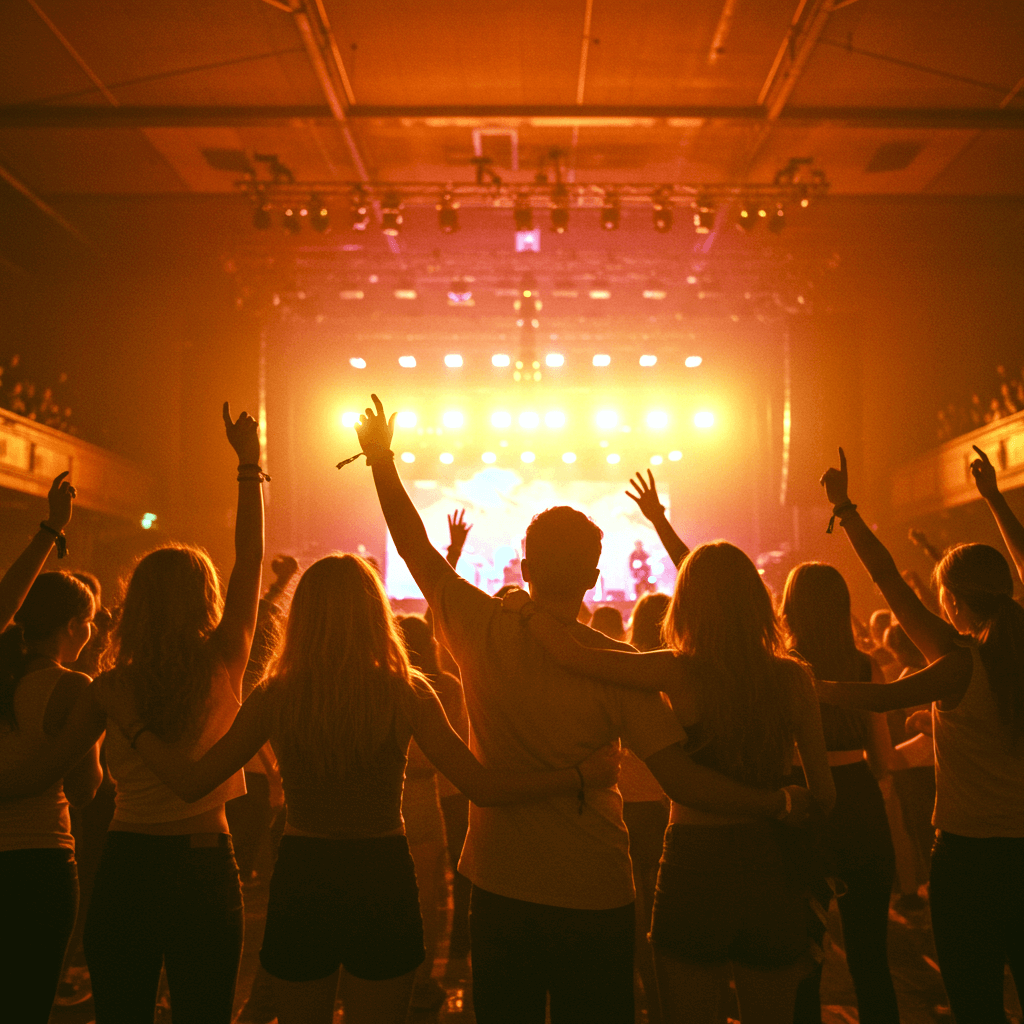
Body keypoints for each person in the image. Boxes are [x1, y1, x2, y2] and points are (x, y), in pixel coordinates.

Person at [353, 395, 815, 1024]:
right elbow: (679, 778)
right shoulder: (618, 666)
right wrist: (777, 803)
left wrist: (382, 461)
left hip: (498, 880)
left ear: (524, 561)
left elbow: (414, 548)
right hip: (595, 886)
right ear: (596, 575)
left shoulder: (478, 625)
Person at [101, 551, 620, 1024]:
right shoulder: (406, 691)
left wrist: (135, 726)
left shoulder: (276, 694)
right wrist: (576, 776)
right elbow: (480, 786)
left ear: (302, 617)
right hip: (381, 872)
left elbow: (192, 783)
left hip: (304, 872)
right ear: (376, 615)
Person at [0, 402, 266, 1024]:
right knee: (204, 1011)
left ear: (137, 601)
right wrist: (249, 468)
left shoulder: (108, 686)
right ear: (207, 598)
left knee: (121, 1012)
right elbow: (249, 565)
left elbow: (49, 773)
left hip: (127, 862)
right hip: (205, 857)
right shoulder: (224, 656)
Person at [509, 540, 836, 1024]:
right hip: (771, 864)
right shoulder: (793, 679)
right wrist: (785, 802)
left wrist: (523, 605)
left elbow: (570, 656)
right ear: (757, 602)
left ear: (686, 605)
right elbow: (825, 796)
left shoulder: (674, 670)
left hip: (696, 862)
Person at [818, 447, 1023, 1023]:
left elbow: (887, 582)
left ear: (952, 601)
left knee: (977, 1001)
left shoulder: (960, 663)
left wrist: (819, 688)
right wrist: (994, 501)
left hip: (969, 858)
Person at [0, 477, 104, 1023]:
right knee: (26, 1004)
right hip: (40, 863)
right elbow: (86, 790)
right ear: (74, 627)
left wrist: (50, 531)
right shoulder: (76, 690)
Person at [779, 562, 900, 1024]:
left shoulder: (783, 670)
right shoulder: (865, 666)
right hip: (860, 802)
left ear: (791, 609)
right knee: (871, 957)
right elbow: (882, 761)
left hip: (802, 806)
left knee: (804, 956)